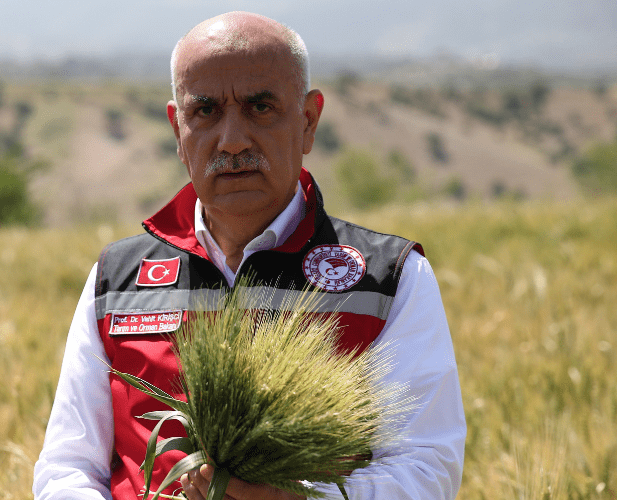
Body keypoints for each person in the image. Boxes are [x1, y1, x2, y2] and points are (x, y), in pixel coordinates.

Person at [33, 11, 465, 500]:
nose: (233, 139)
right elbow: (67, 467)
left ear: (308, 121)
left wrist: (299, 499)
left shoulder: (388, 279)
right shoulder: (116, 280)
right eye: (206, 111)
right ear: (178, 128)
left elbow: (427, 467)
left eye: (260, 108)